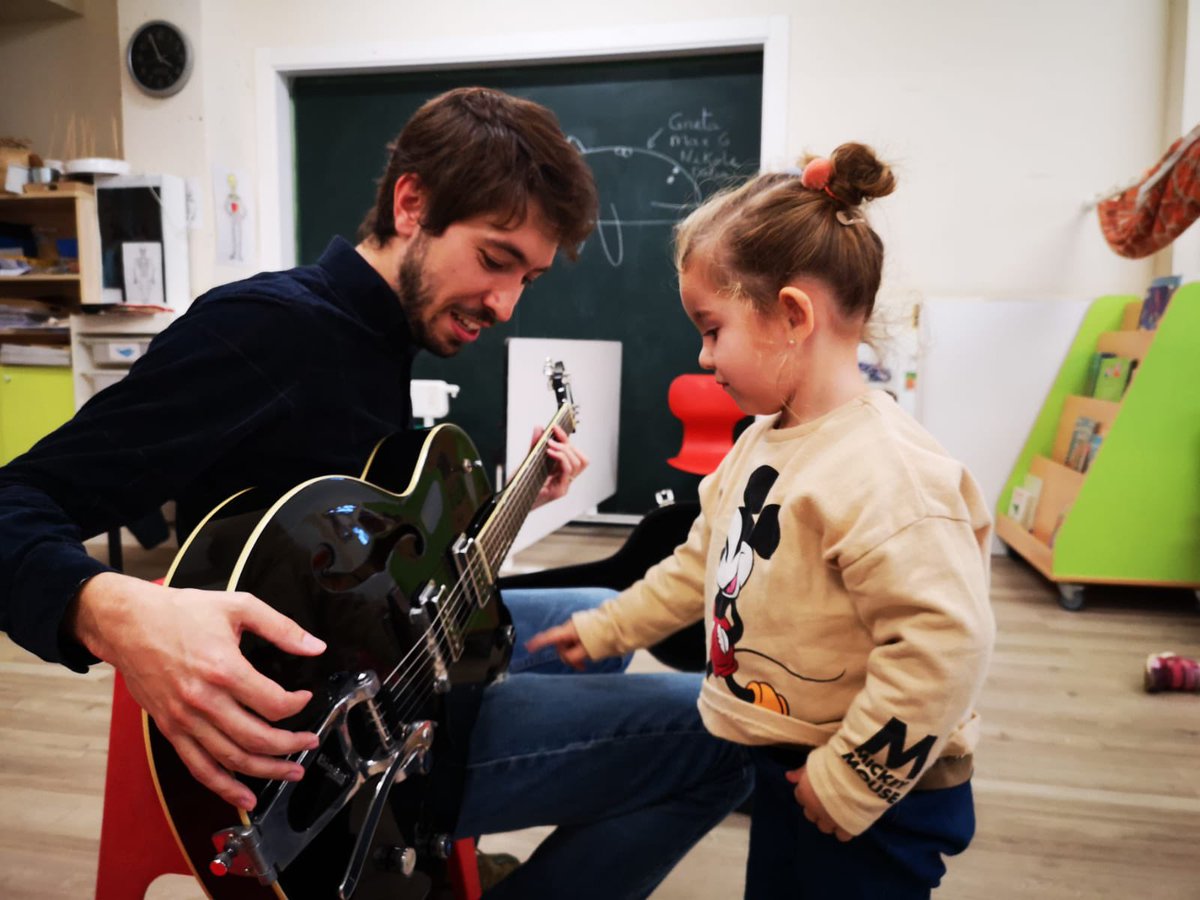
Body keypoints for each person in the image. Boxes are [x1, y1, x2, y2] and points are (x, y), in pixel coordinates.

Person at [0, 87, 751, 899]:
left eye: (527, 278)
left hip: (391, 654)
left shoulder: (384, 337)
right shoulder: (264, 330)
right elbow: (16, 502)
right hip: (328, 747)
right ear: (411, 204)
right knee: (727, 738)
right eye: (495, 259)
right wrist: (107, 610)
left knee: (597, 616)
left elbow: (369, 538)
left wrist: (515, 501)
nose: (505, 304)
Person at [528, 144, 996, 899]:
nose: (702, 355)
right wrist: (609, 627)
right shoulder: (759, 443)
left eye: (712, 329)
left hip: (881, 793)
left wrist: (853, 778)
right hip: (786, 754)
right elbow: (699, 564)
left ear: (791, 316)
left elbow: (945, 643)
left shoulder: (888, 473)